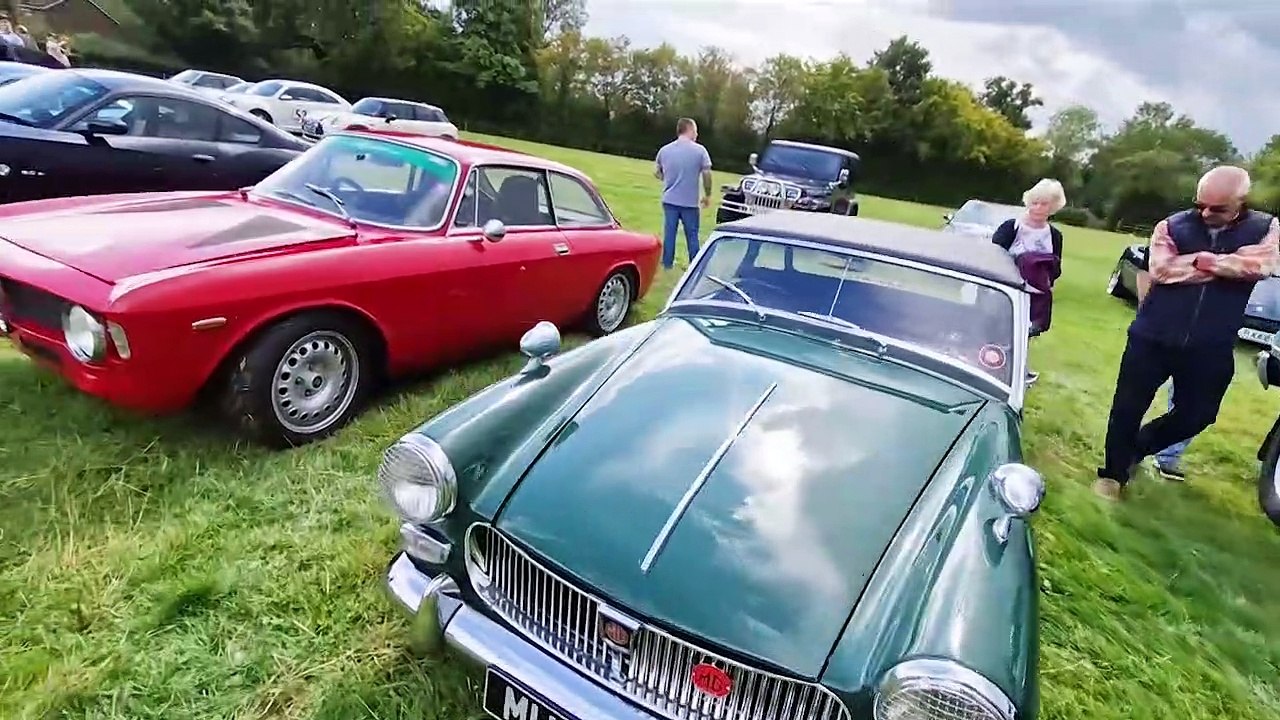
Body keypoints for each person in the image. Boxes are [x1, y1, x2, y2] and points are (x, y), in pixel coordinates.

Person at [1095, 166, 1280, 501]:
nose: (1205, 213)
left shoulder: (1266, 227)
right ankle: (1113, 474)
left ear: (1242, 201)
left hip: (1211, 344)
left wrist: (1198, 263)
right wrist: (1222, 265)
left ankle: (1138, 447)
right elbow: (1162, 270)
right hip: (1153, 334)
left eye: (1217, 208)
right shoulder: (1171, 225)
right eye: (1199, 205)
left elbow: (1260, 266)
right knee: (1127, 407)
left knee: (1198, 415)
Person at [991, 178, 1067, 385]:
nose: (1038, 208)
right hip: (1007, 289)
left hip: (1035, 294)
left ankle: (1017, 372)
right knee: (999, 330)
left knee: (1025, 334)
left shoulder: (1054, 236)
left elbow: (1055, 269)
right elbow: (992, 256)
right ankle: (992, 364)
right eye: (1035, 202)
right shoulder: (1010, 228)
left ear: (1053, 207)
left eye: (1044, 204)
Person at [1134, 263, 1191, 481]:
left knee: (1193, 409)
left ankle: (1165, 455)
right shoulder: (1174, 230)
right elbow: (1146, 268)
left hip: (1205, 336)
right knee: (1135, 397)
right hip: (1159, 329)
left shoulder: (1244, 237)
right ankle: (1123, 454)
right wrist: (1146, 313)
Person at [654, 117, 712, 270]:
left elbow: (658, 173)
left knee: (670, 233)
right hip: (689, 202)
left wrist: (670, 179)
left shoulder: (664, 150)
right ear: (690, 130)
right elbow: (707, 173)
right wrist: (707, 194)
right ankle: (694, 265)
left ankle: (667, 263)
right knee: (692, 235)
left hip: (670, 200)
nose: (697, 135)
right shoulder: (700, 151)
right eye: (696, 131)